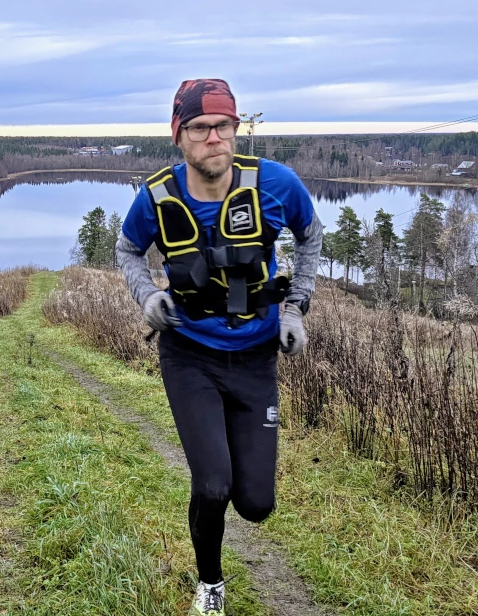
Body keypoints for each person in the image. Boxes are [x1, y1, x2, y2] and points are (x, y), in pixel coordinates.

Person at [115, 78, 323, 616]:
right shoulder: (158, 197)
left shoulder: (276, 184)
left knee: (255, 504)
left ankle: (235, 513)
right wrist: (146, 297)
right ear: (179, 136)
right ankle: (210, 585)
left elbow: (310, 236)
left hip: (255, 360)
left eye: (224, 126)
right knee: (212, 486)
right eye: (200, 128)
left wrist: (296, 306)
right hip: (189, 356)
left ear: (236, 130)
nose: (214, 138)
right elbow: (128, 248)